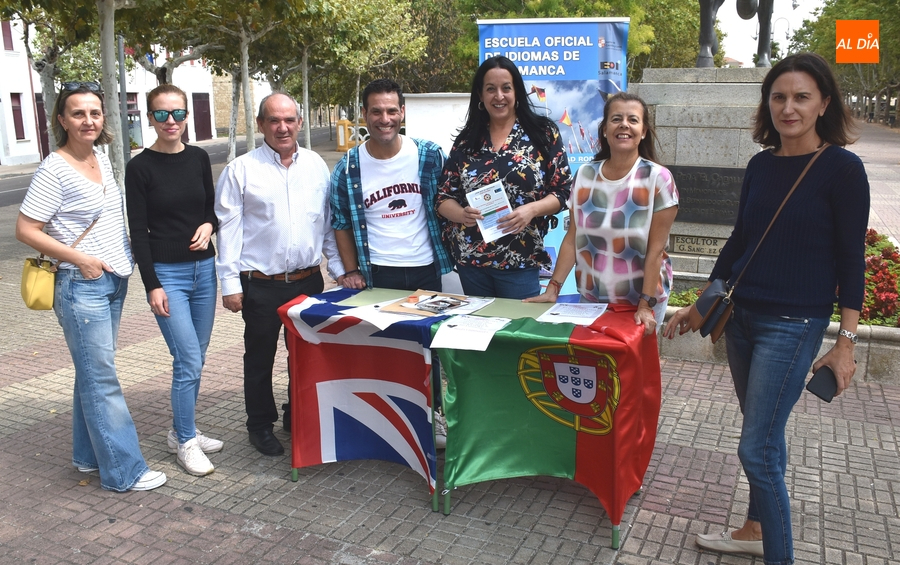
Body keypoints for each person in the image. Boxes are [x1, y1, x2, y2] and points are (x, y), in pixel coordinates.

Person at [664, 52, 870, 563]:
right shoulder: (760, 164)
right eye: (779, 96)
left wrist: (845, 345)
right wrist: (700, 304)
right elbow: (739, 243)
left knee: (755, 448)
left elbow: (851, 260)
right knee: (765, 438)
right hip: (742, 320)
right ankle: (756, 530)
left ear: (824, 102)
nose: (789, 107)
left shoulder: (843, 170)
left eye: (801, 97)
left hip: (793, 326)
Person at [15, 82, 166, 492]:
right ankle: (124, 472)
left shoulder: (101, 157)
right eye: (78, 113)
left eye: (95, 113)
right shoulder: (55, 168)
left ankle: (87, 457)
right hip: (80, 285)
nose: (88, 120)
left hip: (112, 279)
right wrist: (80, 258)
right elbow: (25, 229)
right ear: (61, 120)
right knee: (102, 380)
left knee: (91, 374)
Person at [216, 92, 345, 456]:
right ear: (260, 125)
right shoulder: (240, 170)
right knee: (259, 359)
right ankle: (259, 424)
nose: (282, 127)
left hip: (308, 282)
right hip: (260, 285)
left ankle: (296, 413)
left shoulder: (317, 166)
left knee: (304, 356)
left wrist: (338, 271)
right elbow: (229, 232)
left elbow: (325, 227)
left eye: (289, 120)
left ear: (300, 123)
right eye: (274, 120)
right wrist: (229, 285)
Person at [330, 78, 454, 447]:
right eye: (376, 111)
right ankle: (390, 417)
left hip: (424, 268)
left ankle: (434, 417)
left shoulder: (429, 154)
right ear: (364, 115)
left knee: (426, 346)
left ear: (403, 112)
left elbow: (446, 202)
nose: (385, 118)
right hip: (377, 272)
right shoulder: (349, 166)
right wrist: (350, 271)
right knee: (383, 349)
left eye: (391, 110)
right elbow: (340, 222)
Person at [125, 84, 223, 476]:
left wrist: (208, 224)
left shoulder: (199, 157)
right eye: (162, 114)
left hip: (204, 272)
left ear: (187, 117)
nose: (171, 121)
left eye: (178, 113)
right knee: (187, 360)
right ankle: (185, 442)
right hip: (168, 275)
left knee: (194, 359)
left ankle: (182, 430)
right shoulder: (139, 167)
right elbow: (138, 232)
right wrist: (152, 284)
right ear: (149, 118)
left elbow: (211, 209)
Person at [524, 93, 678, 335]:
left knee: (632, 370)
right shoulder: (585, 175)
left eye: (633, 120)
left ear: (644, 131)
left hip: (641, 301)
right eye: (616, 119)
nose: (624, 125)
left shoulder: (658, 179)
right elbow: (573, 238)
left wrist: (645, 305)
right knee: (594, 367)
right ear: (605, 129)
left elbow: (655, 250)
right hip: (592, 298)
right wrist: (553, 287)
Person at [436, 56, 572, 299]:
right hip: (472, 262)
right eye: (491, 89)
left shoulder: (543, 134)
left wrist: (531, 210)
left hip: (520, 260)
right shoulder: (467, 141)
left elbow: (562, 192)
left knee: (517, 333)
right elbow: (444, 196)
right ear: (480, 95)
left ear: (517, 92)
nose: (499, 96)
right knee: (478, 333)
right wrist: (461, 214)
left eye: (506, 88)